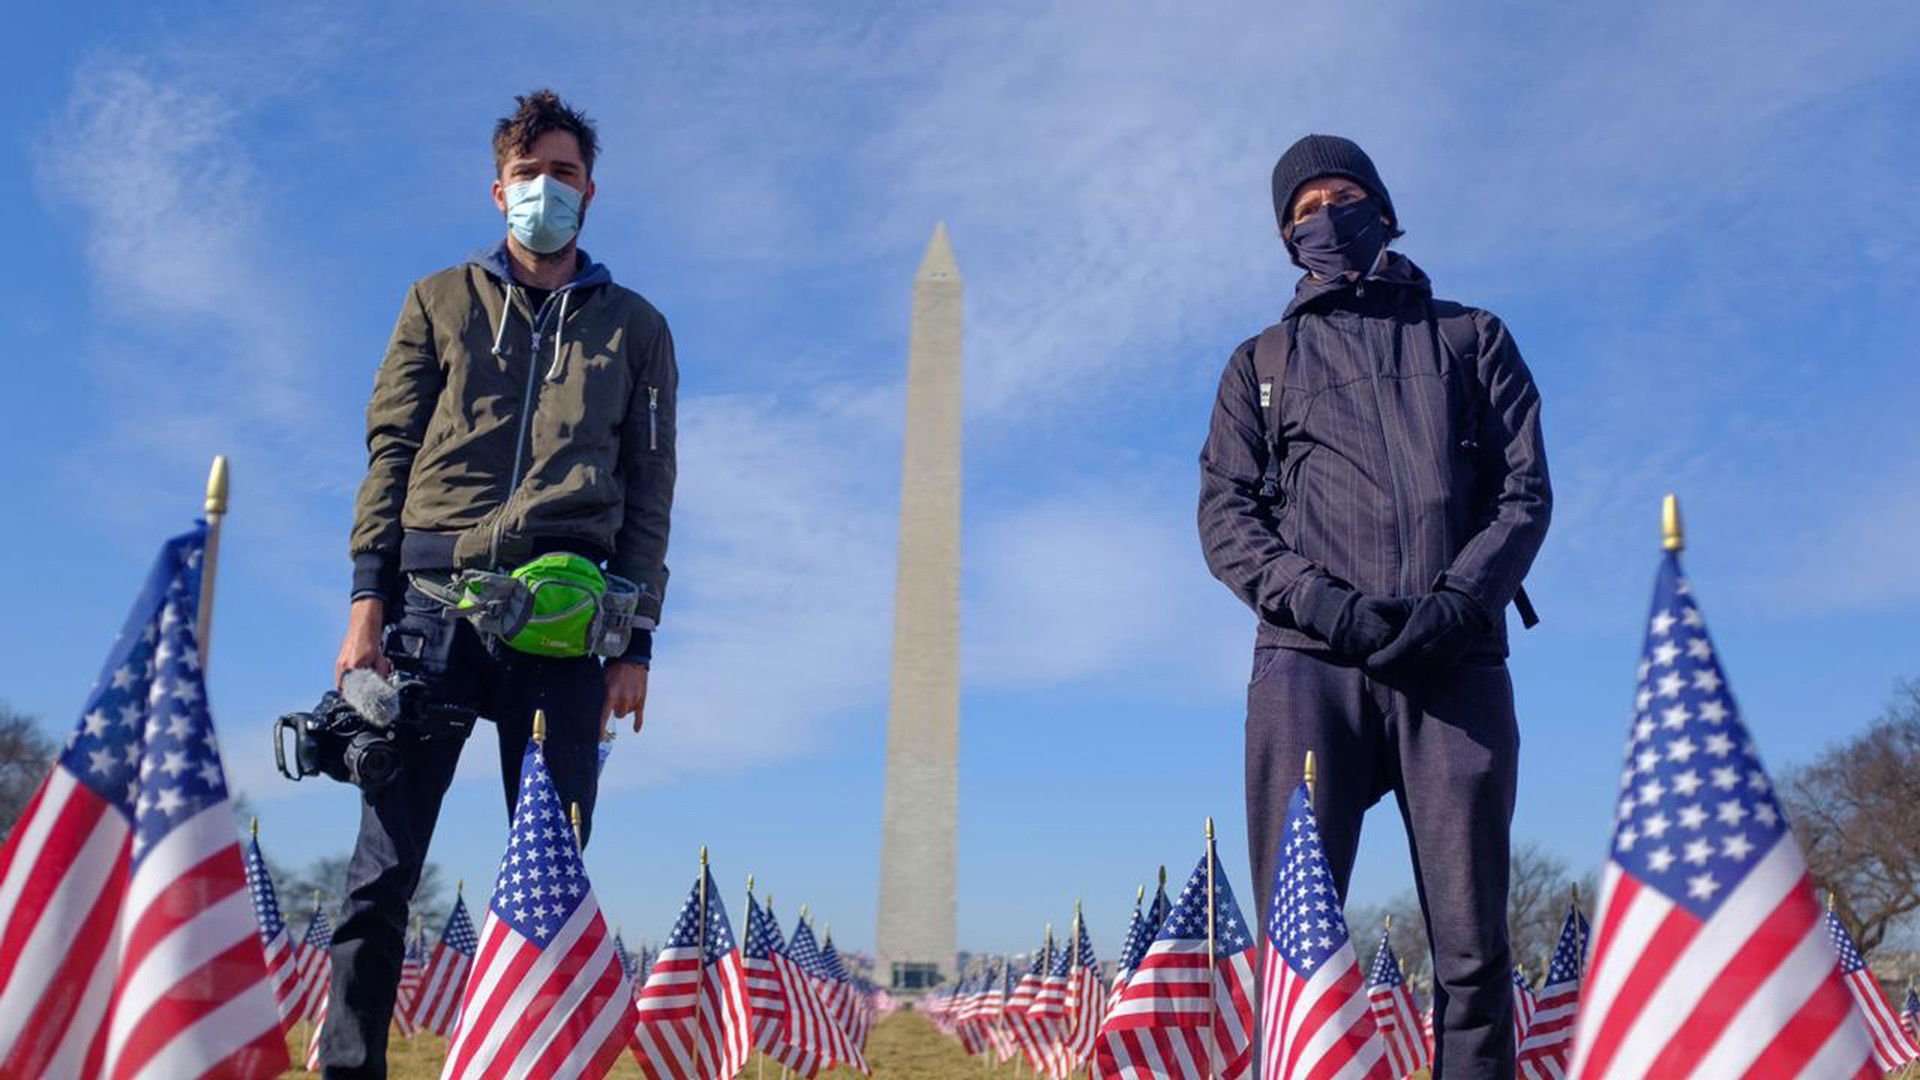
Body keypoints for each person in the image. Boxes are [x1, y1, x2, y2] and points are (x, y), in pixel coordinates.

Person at [323, 89, 677, 1077]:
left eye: (564, 175)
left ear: (590, 193)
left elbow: (651, 492)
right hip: (433, 615)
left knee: (549, 886)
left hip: (569, 630)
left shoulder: (639, 329)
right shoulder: (436, 300)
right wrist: (366, 608)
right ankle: (352, 1067)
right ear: (498, 190)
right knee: (382, 873)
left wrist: (637, 643)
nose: (546, 191)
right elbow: (389, 454)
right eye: (530, 175)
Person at [1198, 134, 1550, 1078]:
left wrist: (1458, 603)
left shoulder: (1473, 335)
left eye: (1342, 195)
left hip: (1456, 667)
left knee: (1474, 950)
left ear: (1384, 208)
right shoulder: (1258, 364)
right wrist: (1324, 605)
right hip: (1309, 670)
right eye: (1304, 208)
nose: (1327, 216)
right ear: (1286, 236)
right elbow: (1225, 517)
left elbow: (1525, 493)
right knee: (1298, 950)